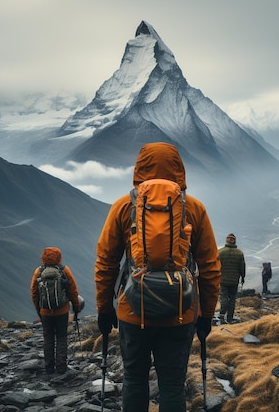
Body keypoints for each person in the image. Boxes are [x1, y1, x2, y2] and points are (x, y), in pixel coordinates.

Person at [95, 142, 221, 412]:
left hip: (133, 312)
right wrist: (206, 315)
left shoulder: (123, 206)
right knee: (173, 385)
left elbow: (106, 262)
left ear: (140, 167)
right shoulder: (195, 208)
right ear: (179, 168)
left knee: (134, 379)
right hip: (180, 313)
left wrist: (104, 309)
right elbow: (210, 267)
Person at [30, 246, 82, 375]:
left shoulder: (38, 272)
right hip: (62, 311)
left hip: (45, 312)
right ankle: (61, 367)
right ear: (59, 257)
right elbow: (73, 291)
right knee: (61, 337)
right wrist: (76, 307)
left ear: (43, 258)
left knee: (48, 338)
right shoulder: (65, 271)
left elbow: (34, 293)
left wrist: (39, 310)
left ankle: (49, 368)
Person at [218, 233, 246, 323]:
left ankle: (222, 314)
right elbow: (242, 267)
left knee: (224, 296)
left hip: (222, 279)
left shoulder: (220, 252)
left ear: (226, 240)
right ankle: (230, 317)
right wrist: (243, 277)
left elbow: (216, 266)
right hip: (234, 280)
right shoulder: (239, 253)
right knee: (232, 298)